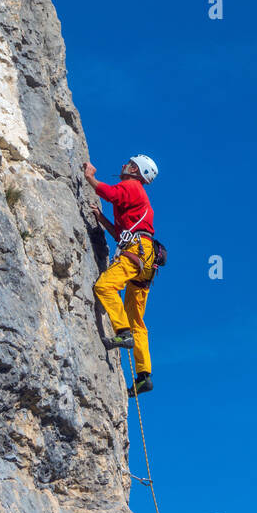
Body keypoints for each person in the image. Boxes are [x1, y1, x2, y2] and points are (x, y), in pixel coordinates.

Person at [84, 154, 159, 397]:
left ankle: (122, 333)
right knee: (137, 320)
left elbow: (111, 194)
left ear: (135, 169)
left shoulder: (131, 186)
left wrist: (90, 178)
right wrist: (102, 219)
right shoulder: (137, 195)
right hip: (145, 259)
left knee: (105, 286)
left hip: (136, 252)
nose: (123, 165)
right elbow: (121, 233)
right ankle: (144, 376)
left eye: (129, 163)